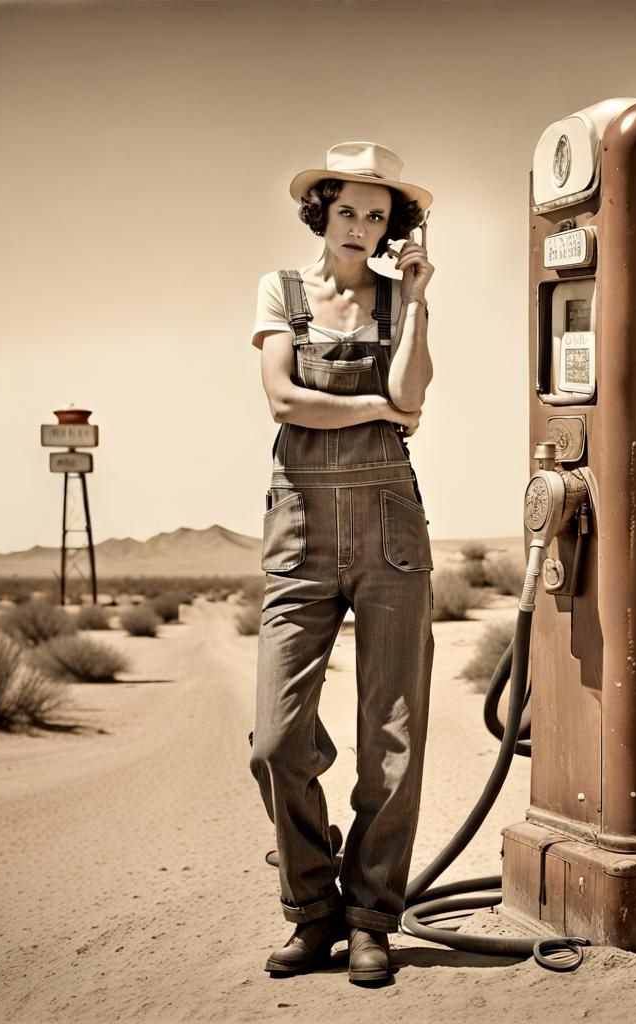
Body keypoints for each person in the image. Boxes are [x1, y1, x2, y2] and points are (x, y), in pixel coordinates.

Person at [248, 141, 435, 985]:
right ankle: (311, 905)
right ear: (321, 209)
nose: (361, 226)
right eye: (349, 209)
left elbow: (417, 394)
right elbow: (283, 398)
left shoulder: (400, 301)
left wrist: (421, 302)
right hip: (301, 530)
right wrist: (373, 407)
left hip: (392, 522)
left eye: (379, 214)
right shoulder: (280, 292)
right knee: (279, 741)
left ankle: (368, 918)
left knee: (391, 737)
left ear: (395, 227)